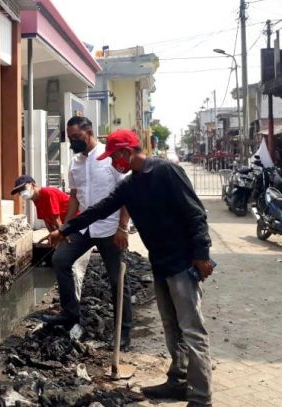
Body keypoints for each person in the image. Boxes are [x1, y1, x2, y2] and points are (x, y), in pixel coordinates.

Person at [53, 129, 213, 407]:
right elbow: (99, 209)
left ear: (127, 152)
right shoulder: (130, 185)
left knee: (192, 330)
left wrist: (202, 254)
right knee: (170, 327)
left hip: (183, 261)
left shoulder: (166, 172)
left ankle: (201, 398)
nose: (113, 162)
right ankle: (178, 380)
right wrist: (66, 228)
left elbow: (195, 213)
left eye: (114, 157)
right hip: (160, 262)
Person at [44, 116, 133, 351]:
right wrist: (66, 228)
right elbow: (74, 197)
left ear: (89, 131)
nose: (73, 142)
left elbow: (126, 195)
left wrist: (123, 228)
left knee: (117, 279)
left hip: (110, 229)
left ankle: (123, 333)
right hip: (85, 228)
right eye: (70, 138)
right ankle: (69, 314)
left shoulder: (109, 157)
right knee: (60, 260)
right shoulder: (75, 162)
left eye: (77, 137)